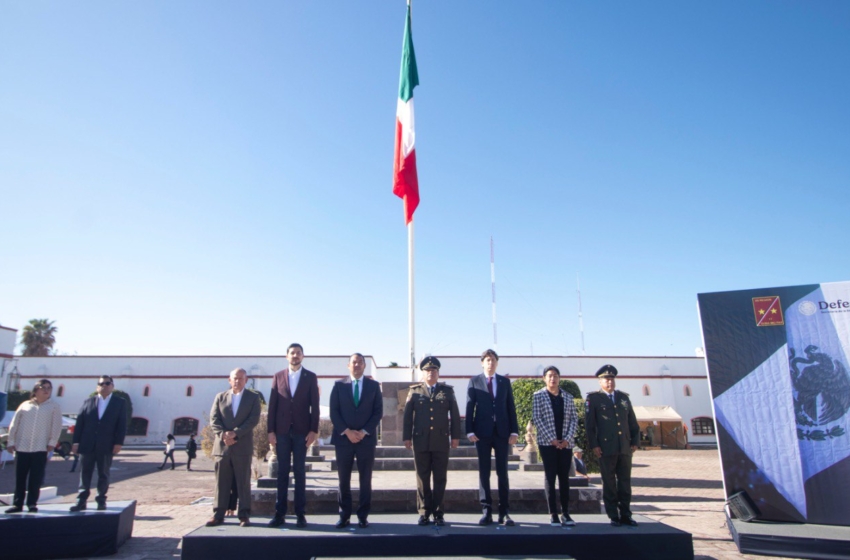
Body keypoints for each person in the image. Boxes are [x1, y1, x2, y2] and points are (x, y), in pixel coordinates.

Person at [402, 356, 462, 526]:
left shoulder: (447, 391)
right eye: (428, 371)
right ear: (423, 373)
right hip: (420, 440)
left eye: (434, 370)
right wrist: (406, 437)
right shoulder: (414, 391)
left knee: (440, 478)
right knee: (422, 477)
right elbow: (407, 417)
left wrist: (455, 437)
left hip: (441, 441)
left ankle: (438, 512)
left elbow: (455, 416)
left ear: (438, 373)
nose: (431, 373)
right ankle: (424, 511)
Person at [267, 343, 320, 528]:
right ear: (286, 356)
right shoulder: (278, 376)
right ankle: (279, 514)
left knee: (299, 472)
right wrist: (270, 431)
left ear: (303, 356)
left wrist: (313, 430)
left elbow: (315, 406)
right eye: (292, 353)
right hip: (281, 432)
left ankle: (300, 514)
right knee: (282, 473)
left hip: (301, 433)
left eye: (298, 353)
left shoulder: (310, 377)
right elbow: (272, 405)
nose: (295, 356)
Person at [466, 349, 519, 526]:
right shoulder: (474, 381)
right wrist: (470, 431)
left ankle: (504, 512)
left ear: (497, 363)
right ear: (482, 363)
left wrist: (514, 431)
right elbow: (469, 407)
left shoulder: (504, 382)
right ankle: (486, 511)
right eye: (487, 360)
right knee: (484, 472)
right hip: (482, 434)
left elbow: (510, 407)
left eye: (493, 360)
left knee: (503, 472)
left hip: (502, 433)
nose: (490, 363)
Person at [329, 353, 383, 529]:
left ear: (364, 366)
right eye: (354, 362)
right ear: (348, 365)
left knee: (365, 479)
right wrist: (347, 431)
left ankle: (363, 516)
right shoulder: (338, 386)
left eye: (360, 362)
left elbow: (378, 412)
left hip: (365, 440)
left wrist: (364, 432)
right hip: (343, 440)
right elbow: (334, 412)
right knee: (343, 479)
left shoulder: (374, 386)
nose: (357, 365)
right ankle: (344, 515)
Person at [585, 364, 640, 527]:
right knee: (609, 482)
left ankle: (626, 514)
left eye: (612, 379)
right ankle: (613, 515)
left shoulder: (623, 398)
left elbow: (632, 421)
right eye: (606, 379)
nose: (610, 382)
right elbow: (590, 425)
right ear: (600, 382)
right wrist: (594, 445)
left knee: (625, 483)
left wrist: (635, 441)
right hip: (606, 448)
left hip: (624, 447)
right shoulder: (594, 399)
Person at [206, 368, 262, 528]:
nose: (237, 381)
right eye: (234, 378)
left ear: (246, 380)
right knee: (221, 483)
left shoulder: (253, 398)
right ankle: (218, 514)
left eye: (241, 378)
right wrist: (223, 434)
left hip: (242, 447)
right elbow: (214, 418)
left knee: (243, 482)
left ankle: (244, 515)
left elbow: (253, 419)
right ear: (229, 380)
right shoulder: (220, 397)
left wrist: (235, 434)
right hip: (222, 448)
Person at [70, 375, 127, 512]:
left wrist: (118, 442)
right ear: (97, 387)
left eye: (108, 383)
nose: (104, 386)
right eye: (101, 384)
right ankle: (81, 500)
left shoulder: (119, 402)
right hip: (87, 443)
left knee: (104, 473)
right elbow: (80, 423)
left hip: (106, 444)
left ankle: (101, 500)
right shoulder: (88, 402)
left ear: (112, 386)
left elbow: (122, 424)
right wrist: (76, 442)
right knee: (85, 473)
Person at [5, 379, 62, 513]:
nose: (46, 390)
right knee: (20, 477)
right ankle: (17, 504)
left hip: (40, 447)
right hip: (22, 447)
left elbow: (56, 426)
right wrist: (11, 442)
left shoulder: (54, 406)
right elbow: (14, 424)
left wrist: (52, 442)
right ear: (36, 390)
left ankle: (32, 504)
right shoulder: (25, 405)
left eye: (49, 388)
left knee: (35, 478)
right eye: (43, 387)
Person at [531, 366, 578, 526]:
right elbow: (538, 419)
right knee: (550, 477)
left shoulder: (568, 396)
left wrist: (566, 439)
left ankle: (565, 512)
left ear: (559, 378)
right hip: (547, 443)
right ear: (544, 378)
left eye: (556, 376)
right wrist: (552, 439)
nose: (553, 379)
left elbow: (574, 419)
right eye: (550, 376)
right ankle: (553, 513)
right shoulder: (538, 396)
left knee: (564, 477)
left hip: (566, 443)